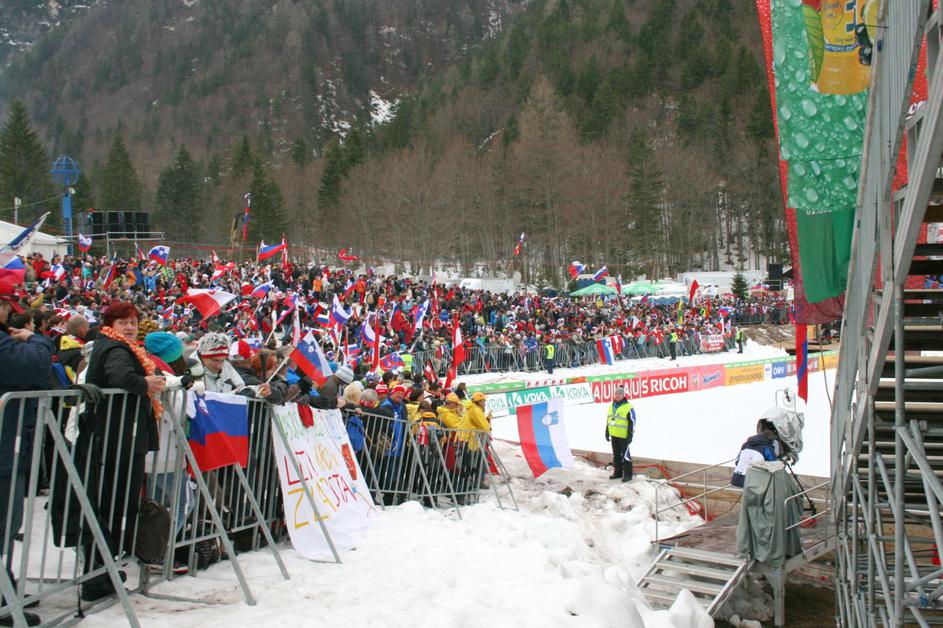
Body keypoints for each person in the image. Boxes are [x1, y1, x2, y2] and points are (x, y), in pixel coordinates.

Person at [81, 301, 165, 601]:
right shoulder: (116, 348)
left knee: (114, 506)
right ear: (111, 326)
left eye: (133, 322)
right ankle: (97, 574)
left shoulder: (117, 346)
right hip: (116, 438)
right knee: (112, 506)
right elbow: (122, 378)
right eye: (123, 322)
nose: (130, 327)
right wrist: (144, 382)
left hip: (120, 436)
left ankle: (103, 570)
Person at [0, 282, 51, 627]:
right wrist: (35, 340)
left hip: (10, 444)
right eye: (7, 305)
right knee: (5, 522)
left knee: (8, 522)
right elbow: (31, 368)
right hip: (6, 447)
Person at [730, 421, 778, 487]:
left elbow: (737, 461)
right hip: (753, 484)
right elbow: (774, 466)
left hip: (736, 480)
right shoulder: (767, 449)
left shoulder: (745, 445)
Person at [604, 386, 635, 482]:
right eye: (616, 393)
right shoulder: (612, 405)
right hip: (614, 435)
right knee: (616, 455)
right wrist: (607, 431)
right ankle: (618, 473)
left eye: (619, 394)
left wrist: (630, 434)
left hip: (623, 436)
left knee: (625, 456)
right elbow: (610, 419)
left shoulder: (628, 407)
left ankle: (628, 475)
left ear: (623, 395)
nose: (617, 395)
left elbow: (632, 422)